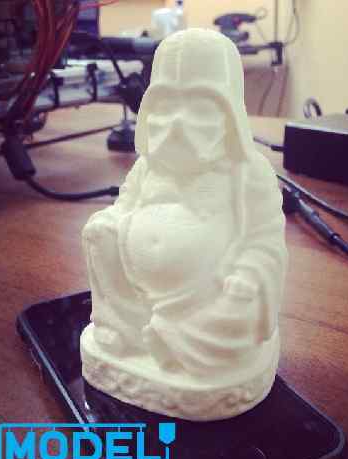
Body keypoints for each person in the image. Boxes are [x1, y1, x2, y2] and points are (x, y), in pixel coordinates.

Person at [82, 28, 287, 381]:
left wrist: (249, 274)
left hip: (209, 294)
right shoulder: (148, 166)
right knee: (98, 232)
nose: (178, 123)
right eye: (165, 106)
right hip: (137, 288)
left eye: (200, 108)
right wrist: (111, 223)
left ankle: (178, 340)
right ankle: (124, 326)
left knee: (239, 319)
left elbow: (265, 238)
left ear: (229, 115)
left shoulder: (247, 173)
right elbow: (125, 204)